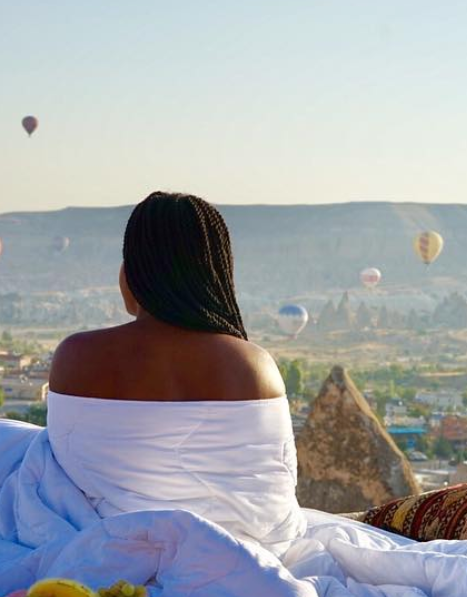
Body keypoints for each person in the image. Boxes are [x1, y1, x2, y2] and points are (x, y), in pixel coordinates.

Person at [45, 191, 305, 549]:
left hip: (111, 547)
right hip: (246, 551)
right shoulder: (256, 365)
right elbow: (277, 489)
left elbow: (60, 476)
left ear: (131, 274)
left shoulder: (78, 355)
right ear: (218, 277)